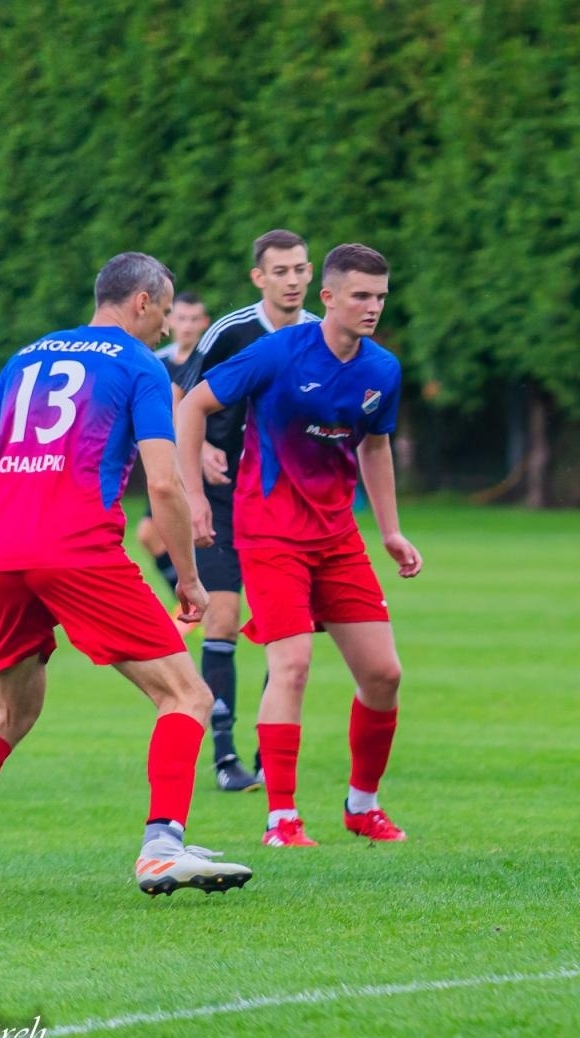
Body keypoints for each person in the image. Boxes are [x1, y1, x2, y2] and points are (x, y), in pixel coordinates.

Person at [0, 253, 252, 901]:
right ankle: (161, 846)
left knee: (7, 711)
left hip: (7, 560)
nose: (160, 332)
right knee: (187, 696)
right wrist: (188, 577)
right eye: (162, 311)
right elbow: (163, 482)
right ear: (144, 303)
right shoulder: (138, 365)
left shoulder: (27, 357)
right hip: (80, 555)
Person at [177, 243, 421, 848]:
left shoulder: (382, 369)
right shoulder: (279, 351)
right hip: (270, 536)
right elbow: (191, 406)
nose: (373, 307)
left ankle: (362, 805)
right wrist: (195, 497)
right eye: (361, 295)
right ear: (329, 297)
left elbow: (374, 446)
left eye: (381, 296)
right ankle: (281, 819)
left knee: (384, 674)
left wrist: (389, 529)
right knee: (292, 665)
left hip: (338, 538)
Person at [177, 230, 320, 792]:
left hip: (282, 502)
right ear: (259, 278)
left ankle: (268, 751)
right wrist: (202, 452)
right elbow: (184, 397)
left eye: (299, 269)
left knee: (283, 630)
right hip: (220, 496)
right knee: (225, 618)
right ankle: (225, 754)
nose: (291, 279)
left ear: (312, 276)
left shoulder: (320, 336)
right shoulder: (230, 331)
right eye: (279, 271)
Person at [138, 291, 210, 596]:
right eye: (181, 318)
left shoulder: (214, 362)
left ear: (205, 323)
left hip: (207, 466)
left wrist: (206, 448)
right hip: (169, 464)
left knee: (205, 535)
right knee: (147, 533)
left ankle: (206, 598)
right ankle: (188, 594)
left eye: (195, 319)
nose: (188, 326)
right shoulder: (156, 362)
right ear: (170, 320)